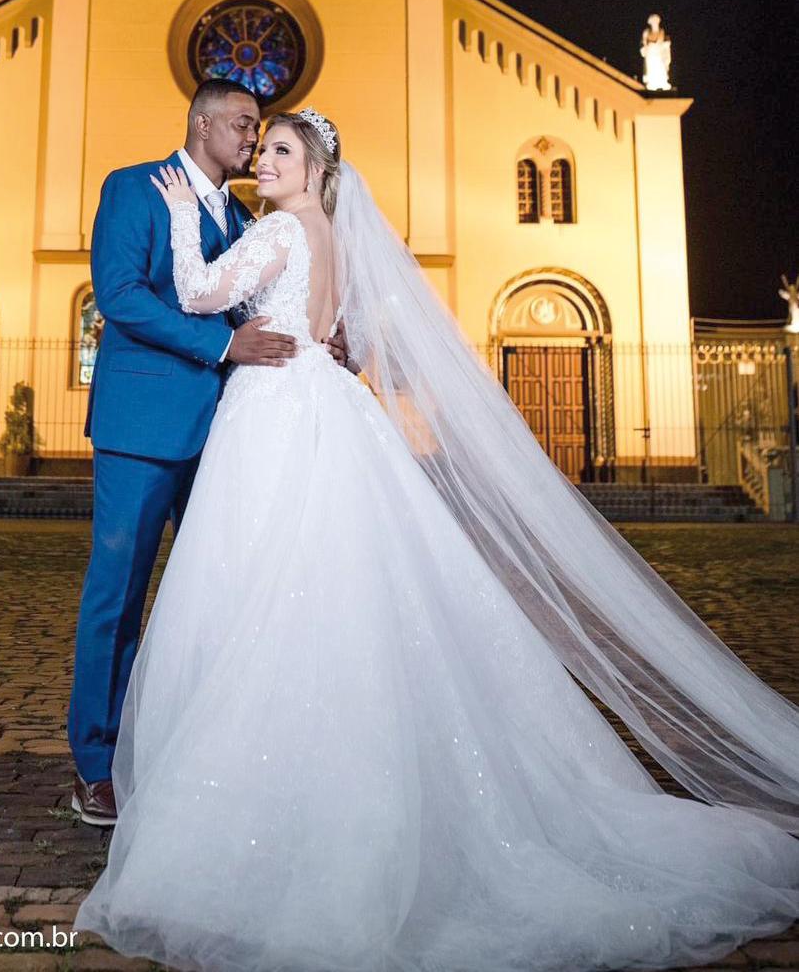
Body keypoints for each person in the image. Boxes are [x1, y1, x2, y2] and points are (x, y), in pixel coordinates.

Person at [72, 107, 799, 971]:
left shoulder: (264, 226)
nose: (258, 153)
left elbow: (195, 292)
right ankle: (227, 771)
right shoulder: (323, 230)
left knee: (259, 592)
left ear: (309, 167)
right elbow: (308, 323)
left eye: (275, 146)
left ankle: (268, 788)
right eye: (252, 140)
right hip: (315, 410)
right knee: (316, 589)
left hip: (269, 413)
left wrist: (190, 223)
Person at [68, 80, 347, 827]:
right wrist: (224, 343)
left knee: (221, 595)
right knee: (118, 594)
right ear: (199, 121)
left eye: (261, 131)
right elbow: (119, 294)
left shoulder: (247, 215)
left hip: (233, 434)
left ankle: (189, 752)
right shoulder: (134, 188)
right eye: (242, 124)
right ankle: (95, 765)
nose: (252, 139)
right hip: (144, 426)